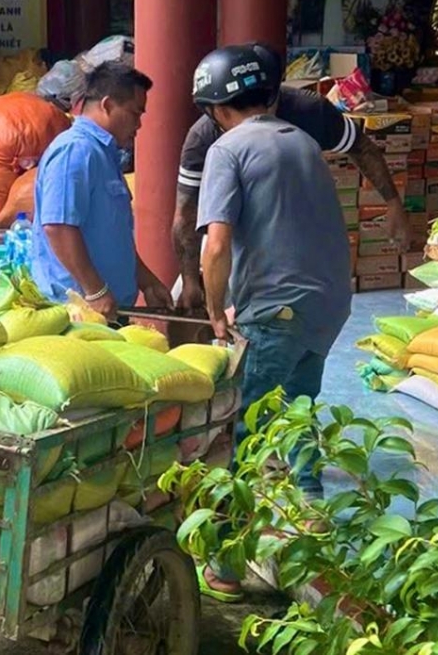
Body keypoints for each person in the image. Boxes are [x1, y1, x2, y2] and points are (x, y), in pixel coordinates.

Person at [192, 45, 353, 601]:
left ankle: (226, 568)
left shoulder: (227, 148)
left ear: (216, 108)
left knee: (249, 437)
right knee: (300, 418)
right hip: (329, 306)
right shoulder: (303, 141)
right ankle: (311, 531)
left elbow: (216, 246)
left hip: (278, 311)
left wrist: (216, 311)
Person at [172, 42, 405, 312]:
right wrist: (192, 282)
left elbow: (362, 147)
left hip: (299, 247)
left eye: (267, 101)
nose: (261, 113)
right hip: (233, 243)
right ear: (221, 112)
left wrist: (393, 203)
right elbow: (191, 220)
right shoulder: (207, 139)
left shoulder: (309, 112)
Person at [31, 61, 173, 321]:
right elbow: (58, 226)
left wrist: (147, 282)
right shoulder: (76, 150)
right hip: (76, 311)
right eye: (135, 113)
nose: (139, 125)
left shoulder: (104, 154)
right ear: (107, 105)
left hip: (106, 308)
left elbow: (114, 236)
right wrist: (94, 289)